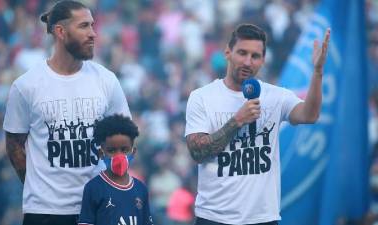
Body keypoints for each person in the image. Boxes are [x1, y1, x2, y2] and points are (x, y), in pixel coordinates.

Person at [185, 23, 330, 225]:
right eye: (242, 53)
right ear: (228, 52)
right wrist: (237, 121)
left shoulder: (276, 96)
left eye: (255, 56)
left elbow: (310, 115)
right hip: (214, 217)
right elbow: (197, 153)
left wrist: (317, 72)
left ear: (262, 60)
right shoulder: (202, 97)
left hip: (262, 218)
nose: (247, 61)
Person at [3, 1, 131, 225]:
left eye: (92, 25)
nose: (93, 33)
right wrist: (41, 187)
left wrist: (111, 185)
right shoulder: (26, 86)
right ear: (60, 32)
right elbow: (14, 146)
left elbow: (125, 139)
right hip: (45, 211)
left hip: (98, 207)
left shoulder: (106, 80)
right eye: (84, 26)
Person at [78, 114, 153, 225]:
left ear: (133, 152)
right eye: (112, 150)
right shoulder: (93, 188)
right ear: (101, 153)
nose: (119, 156)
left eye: (124, 150)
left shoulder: (141, 188)